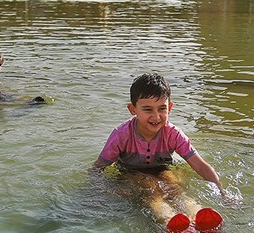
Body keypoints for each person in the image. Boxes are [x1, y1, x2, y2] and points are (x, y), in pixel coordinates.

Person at [92, 73, 224, 232]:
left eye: (162, 109)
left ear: (170, 108)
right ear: (132, 109)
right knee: (150, 189)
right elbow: (97, 168)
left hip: (163, 168)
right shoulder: (121, 135)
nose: (156, 116)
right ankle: (169, 219)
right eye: (147, 109)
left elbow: (201, 166)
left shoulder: (173, 133)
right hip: (130, 171)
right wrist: (108, 190)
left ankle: (198, 214)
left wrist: (222, 192)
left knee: (174, 187)